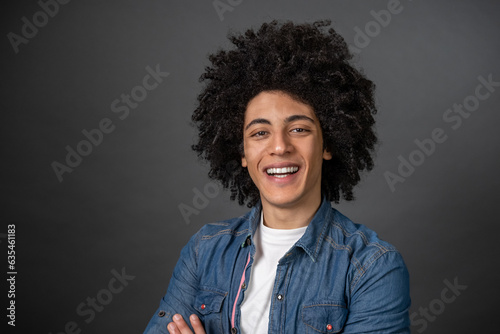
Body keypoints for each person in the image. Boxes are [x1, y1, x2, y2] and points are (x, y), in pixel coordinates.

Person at [144, 20, 410, 334]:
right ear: (242, 153)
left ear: (328, 144)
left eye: (299, 129)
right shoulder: (205, 251)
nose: (280, 146)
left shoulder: (372, 266)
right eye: (260, 133)